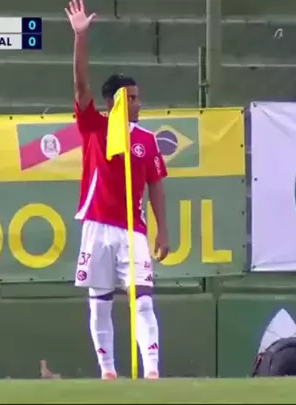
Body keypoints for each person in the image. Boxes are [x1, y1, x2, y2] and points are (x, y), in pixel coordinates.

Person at [65, 0, 170, 380]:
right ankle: (108, 372)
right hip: (97, 226)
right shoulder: (94, 125)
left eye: (139, 97)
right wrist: (80, 37)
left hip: (133, 231)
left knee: (143, 301)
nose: (139, 103)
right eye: (133, 97)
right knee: (100, 303)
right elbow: (80, 84)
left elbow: (156, 185)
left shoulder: (147, 140)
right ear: (116, 101)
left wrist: (163, 229)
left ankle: (152, 371)